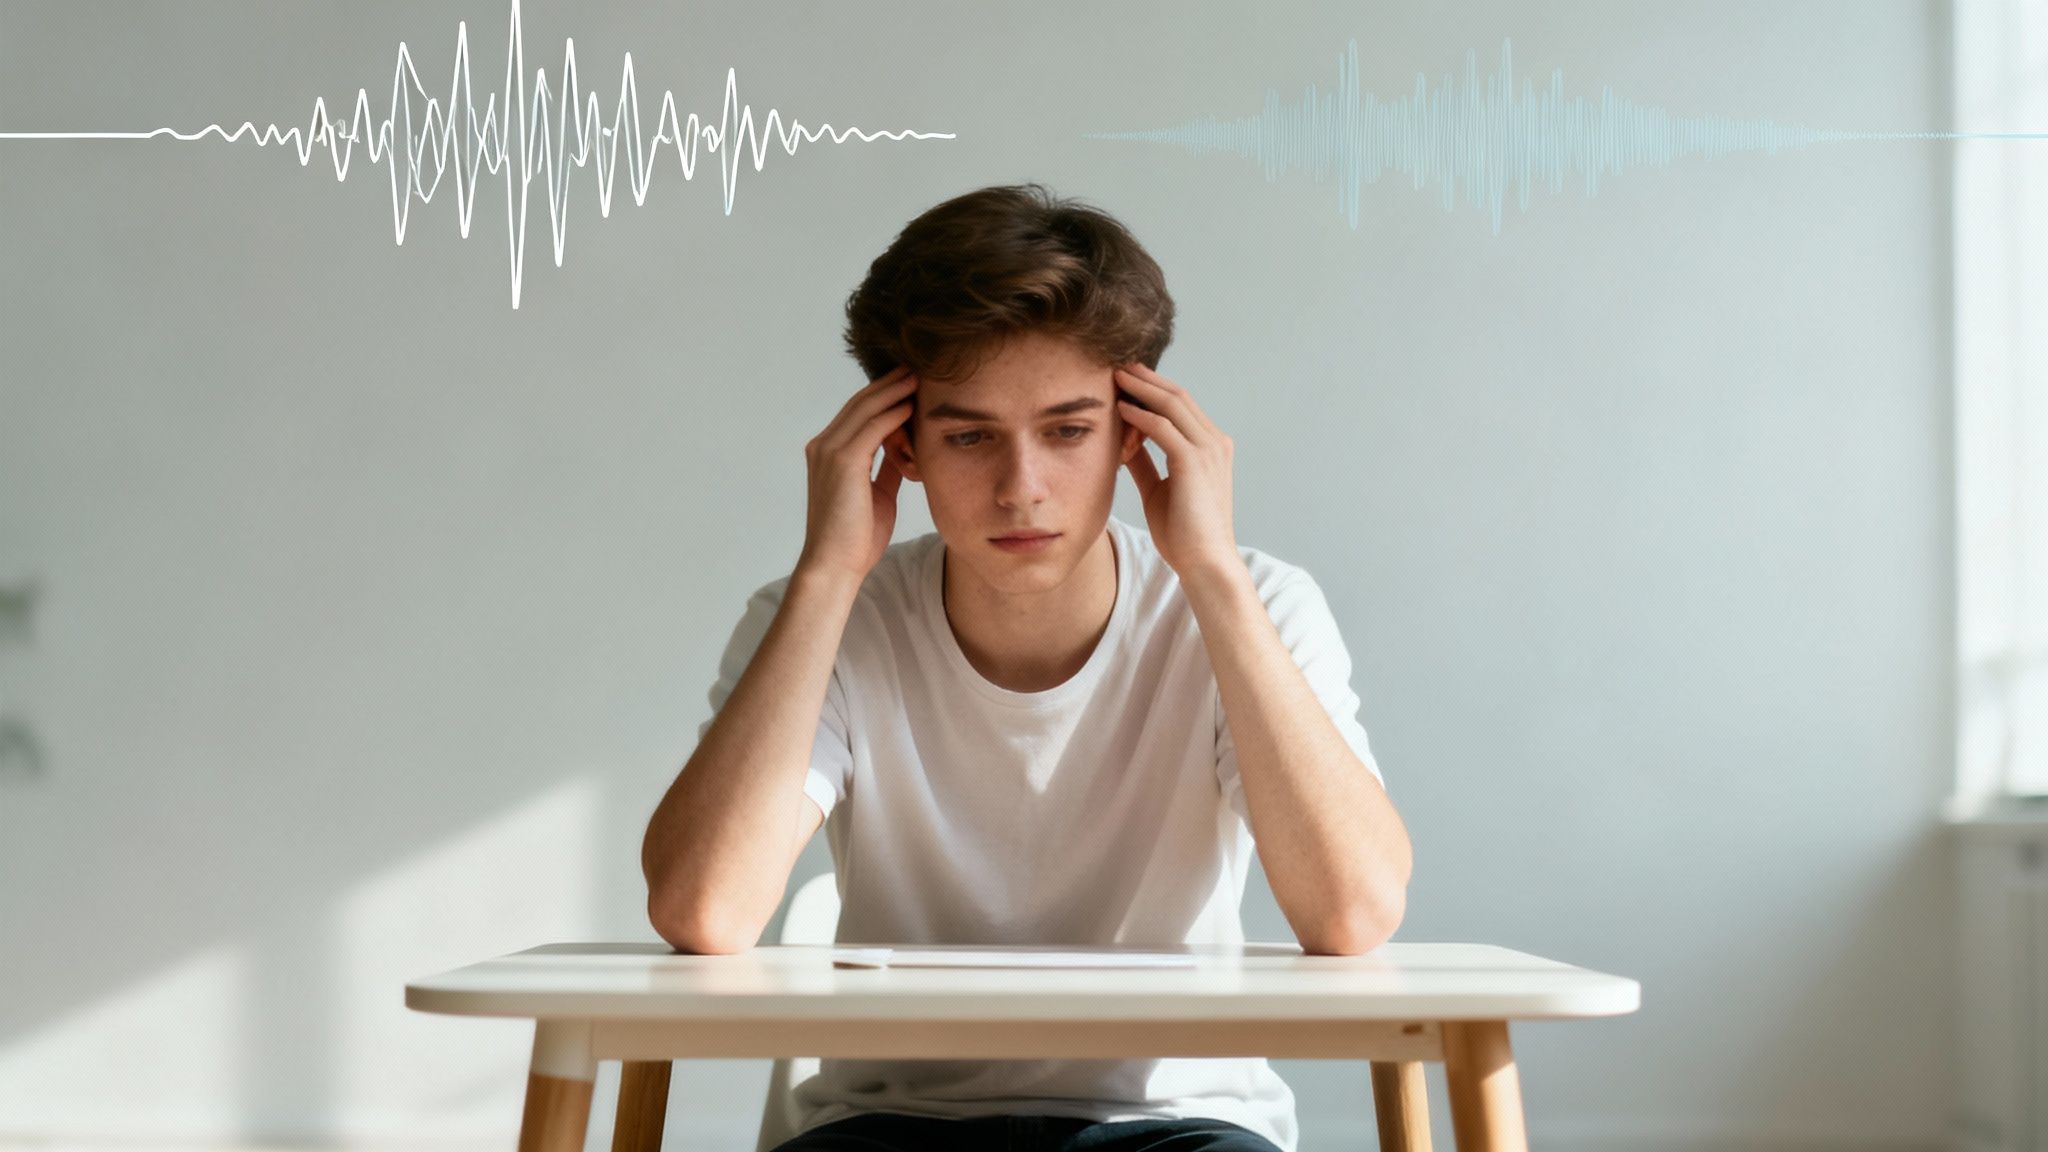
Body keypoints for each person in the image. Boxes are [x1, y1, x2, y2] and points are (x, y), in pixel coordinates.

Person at [640, 183, 1413, 1152]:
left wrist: (1209, 574)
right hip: (887, 1127)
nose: (1020, 488)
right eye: (968, 436)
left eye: (1067, 430)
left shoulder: (1254, 602)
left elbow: (1352, 913)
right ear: (899, 446)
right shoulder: (823, 616)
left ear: (1138, 433)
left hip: (1173, 1126)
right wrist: (826, 573)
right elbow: (702, 909)